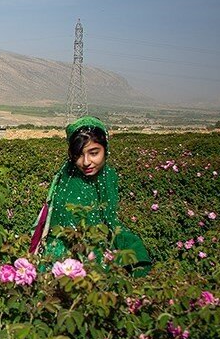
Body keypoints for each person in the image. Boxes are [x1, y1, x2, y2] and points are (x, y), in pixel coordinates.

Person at [36, 116, 151, 276]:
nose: (86, 162)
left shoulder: (108, 176)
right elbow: (65, 231)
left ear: (106, 149)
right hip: (68, 258)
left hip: (96, 250)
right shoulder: (70, 179)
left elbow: (109, 219)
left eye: (94, 153)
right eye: (78, 155)